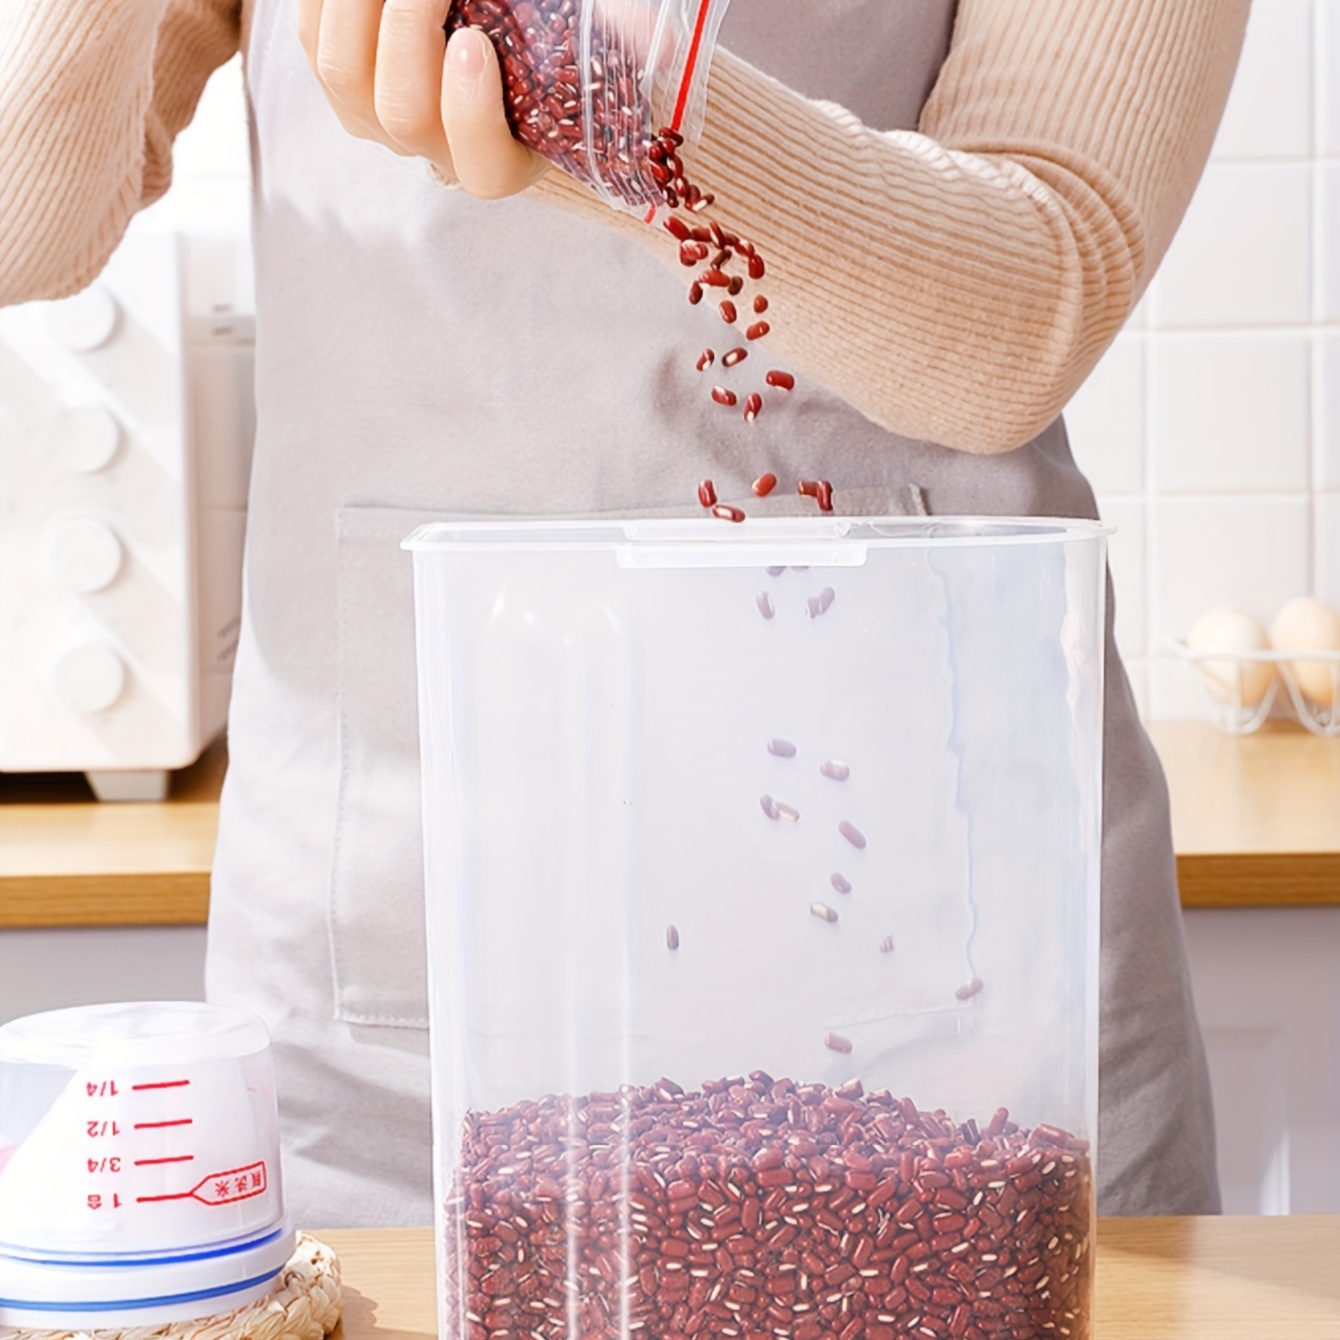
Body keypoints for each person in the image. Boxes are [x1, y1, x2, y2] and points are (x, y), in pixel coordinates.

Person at [0, 0, 1249, 1226]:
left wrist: (613, 98)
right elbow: (26, 226)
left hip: (956, 1035)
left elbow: (1026, 305)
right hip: (389, 1001)